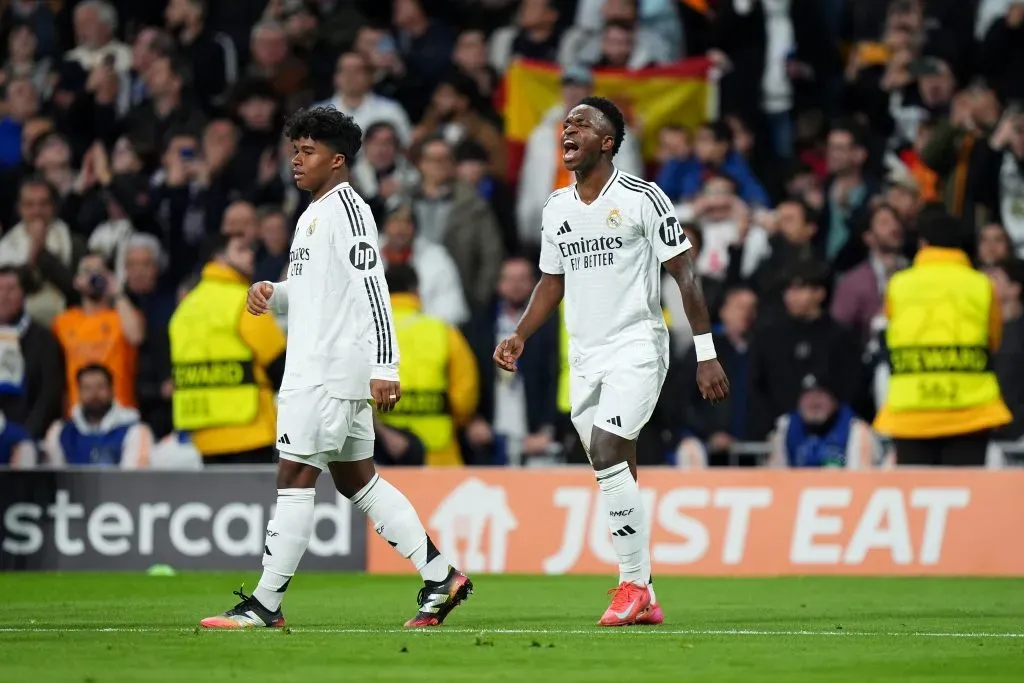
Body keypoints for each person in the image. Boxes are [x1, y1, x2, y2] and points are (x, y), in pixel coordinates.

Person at [201, 107, 470, 630]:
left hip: (326, 372)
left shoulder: (349, 211)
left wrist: (387, 365)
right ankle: (440, 576)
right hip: (323, 369)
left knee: (295, 475)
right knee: (357, 481)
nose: (296, 161)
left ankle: (265, 604)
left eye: (308, 152)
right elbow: (317, 291)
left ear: (338, 160)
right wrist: (275, 293)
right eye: (293, 150)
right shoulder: (314, 213)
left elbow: (374, 288)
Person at [493, 96, 729, 626]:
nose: (568, 129)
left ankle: (628, 586)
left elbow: (685, 275)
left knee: (607, 448)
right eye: (565, 122)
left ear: (608, 140)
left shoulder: (644, 198)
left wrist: (706, 354)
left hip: (638, 344)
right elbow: (551, 282)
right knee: (616, 466)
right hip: (585, 356)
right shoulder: (557, 207)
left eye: (582, 122)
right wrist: (521, 335)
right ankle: (645, 591)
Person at [874, 213, 1012, 465]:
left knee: (917, 499)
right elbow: (994, 340)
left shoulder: (898, 285)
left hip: (911, 410)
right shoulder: (981, 284)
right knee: (965, 497)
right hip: (970, 411)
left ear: (923, 244)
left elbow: (890, 335)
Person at [169, 233, 285, 464]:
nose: (251, 255)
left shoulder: (185, 308)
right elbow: (279, 362)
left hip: (203, 433)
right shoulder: (244, 300)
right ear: (219, 258)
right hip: (250, 429)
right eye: (241, 250)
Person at [378, 264, 479, 466]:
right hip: (438, 449)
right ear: (416, 290)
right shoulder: (443, 330)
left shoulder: (366, 333)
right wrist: (458, 421)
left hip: (383, 449)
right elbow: (465, 394)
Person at [43, 364, 153, 467]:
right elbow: (57, 478)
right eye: (87, 388)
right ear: (79, 393)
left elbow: (132, 481)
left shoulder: (134, 431)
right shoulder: (60, 432)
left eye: (100, 387)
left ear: (111, 390)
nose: (94, 394)